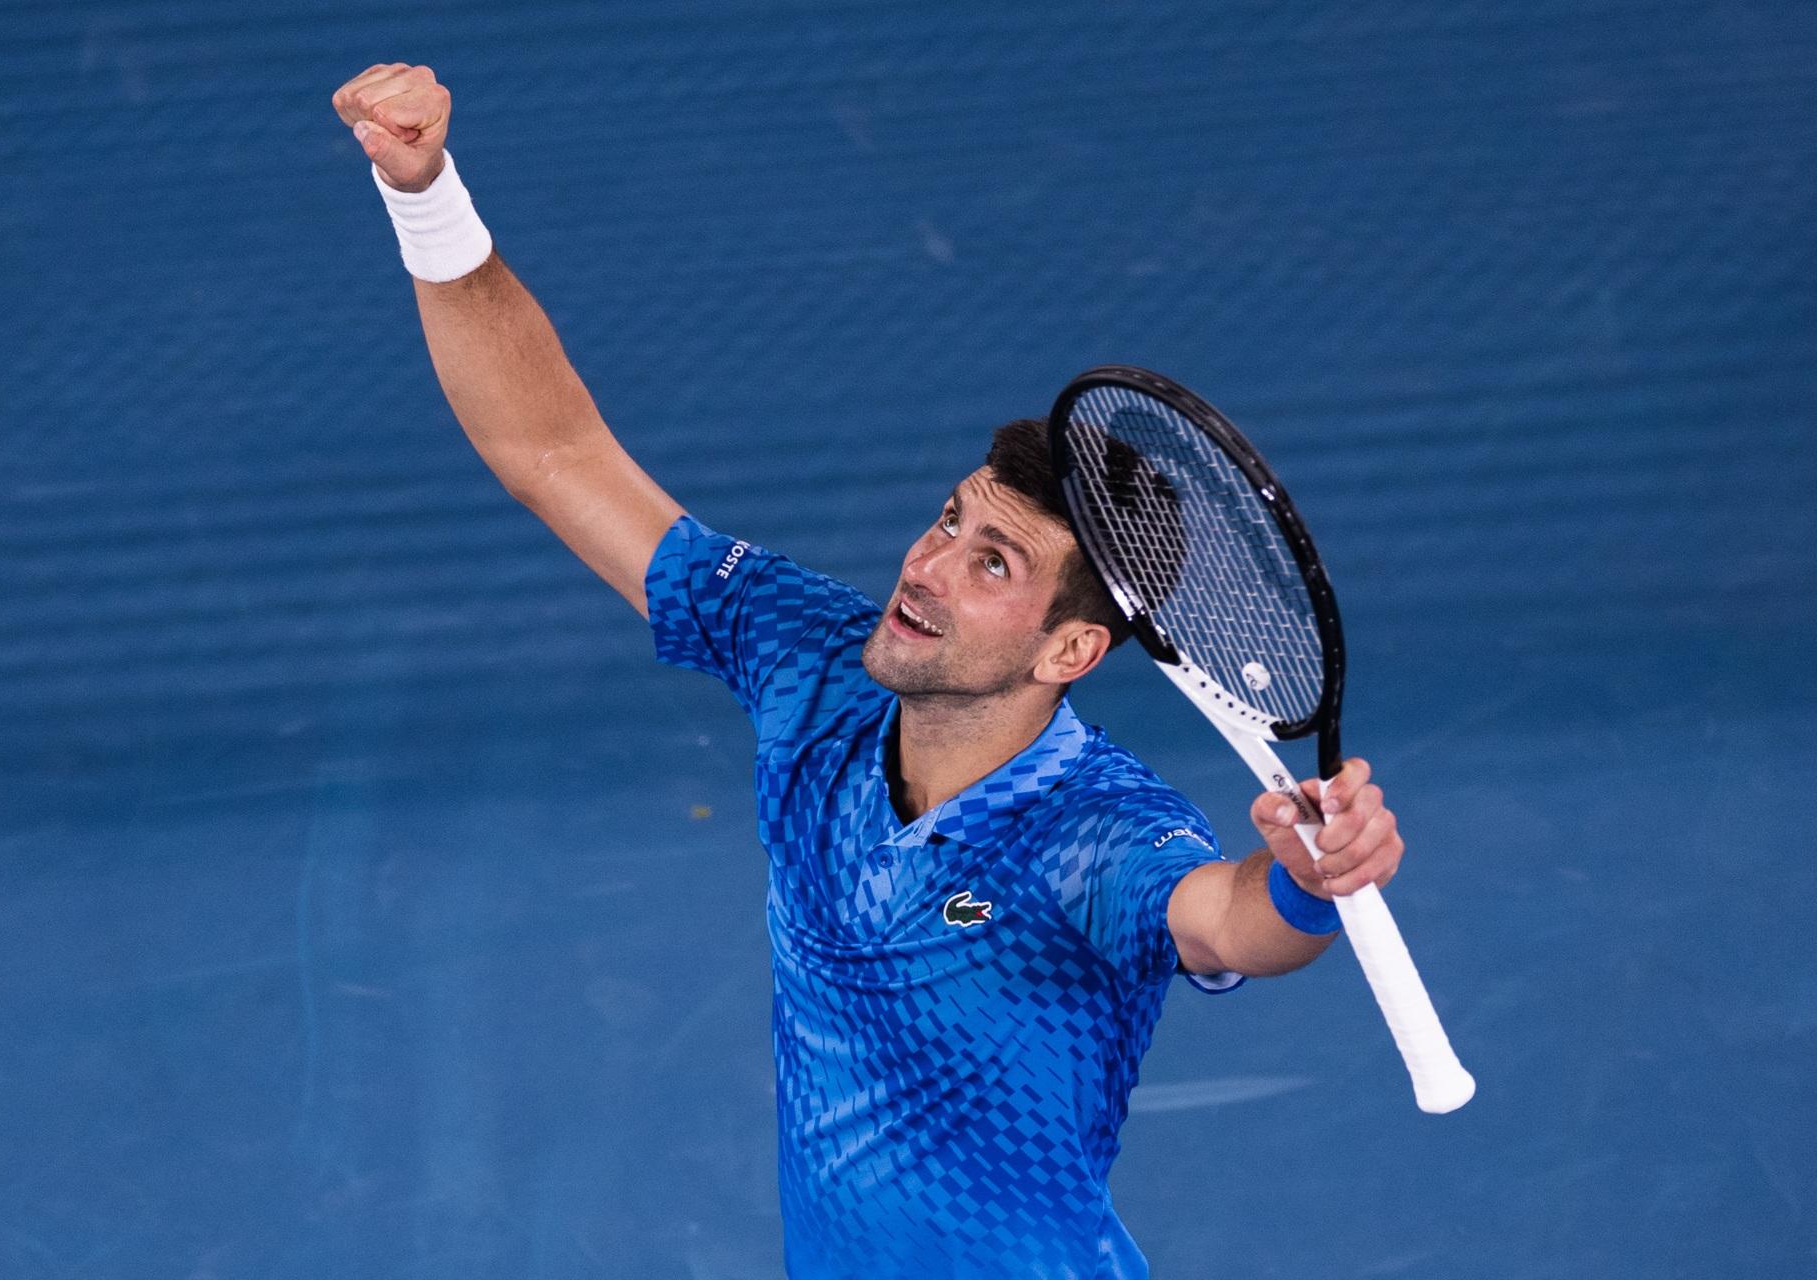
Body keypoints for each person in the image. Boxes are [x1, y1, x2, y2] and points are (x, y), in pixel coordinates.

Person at [332, 62, 1406, 1280]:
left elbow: (1218, 920)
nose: (930, 563)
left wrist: (1308, 881)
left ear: (1071, 649)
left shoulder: (1094, 832)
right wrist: (426, 194)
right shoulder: (811, 661)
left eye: (991, 561)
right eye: (949, 517)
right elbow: (551, 449)